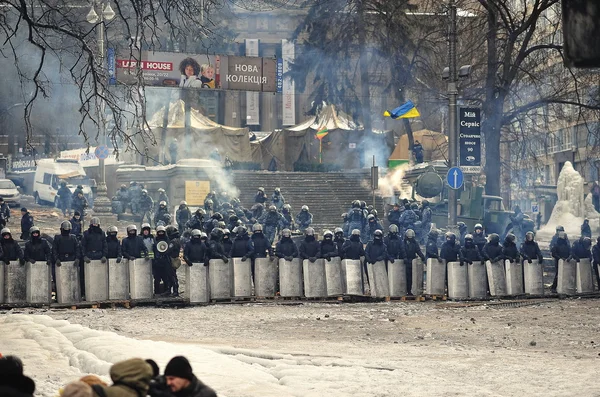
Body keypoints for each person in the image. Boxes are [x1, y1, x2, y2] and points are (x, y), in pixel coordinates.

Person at [152, 225, 172, 296]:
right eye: (159, 232)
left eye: (162, 232)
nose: (160, 233)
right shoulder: (154, 240)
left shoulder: (167, 239)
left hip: (165, 261)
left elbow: (169, 249)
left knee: (165, 277)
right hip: (157, 262)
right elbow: (153, 249)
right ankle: (156, 292)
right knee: (157, 278)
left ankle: (166, 291)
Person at [404, 229, 425, 295]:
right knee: (406, 278)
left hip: (412, 262)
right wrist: (404, 258)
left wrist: (422, 257)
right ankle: (407, 290)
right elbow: (402, 250)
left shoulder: (415, 243)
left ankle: (411, 291)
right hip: (406, 262)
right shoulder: (403, 243)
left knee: (412, 277)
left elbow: (418, 250)